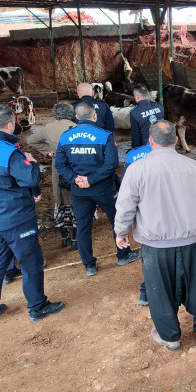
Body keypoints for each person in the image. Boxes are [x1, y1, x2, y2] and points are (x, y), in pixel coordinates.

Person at [114, 120, 196, 350]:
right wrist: (190, 216)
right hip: (190, 241)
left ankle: (170, 337)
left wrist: (121, 232)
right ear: (176, 140)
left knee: (159, 291)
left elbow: (126, 206)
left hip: (155, 246)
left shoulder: (137, 169)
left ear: (150, 141)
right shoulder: (194, 166)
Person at [0, 104, 64, 324]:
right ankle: (37, 307)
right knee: (30, 262)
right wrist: (32, 163)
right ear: (10, 124)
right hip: (16, 218)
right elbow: (31, 179)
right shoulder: (8, 152)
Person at [56, 103, 141, 276]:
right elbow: (111, 164)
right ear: (95, 116)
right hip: (104, 189)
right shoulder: (104, 136)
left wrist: (75, 179)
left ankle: (89, 265)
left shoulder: (65, 137)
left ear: (76, 117)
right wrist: (92, 179)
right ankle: (123, 255)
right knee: (116, 220)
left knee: (83, 227)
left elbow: (60, 164)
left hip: (79, 190)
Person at [27, 102, 78, 249]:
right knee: (75, 199)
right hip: (75, 165)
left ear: (55, 114)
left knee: (60, 198)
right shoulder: (76, 127)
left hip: (58, 166)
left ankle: (65, 237)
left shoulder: (49, 128)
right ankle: (76, 239)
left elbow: (31, 140)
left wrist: (48, 151)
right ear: (71, 114)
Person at [123, 143, 153, 306]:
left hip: (144, 215)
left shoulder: (131, 155)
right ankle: (148, 290)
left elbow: (126, 193)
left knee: (150, 252)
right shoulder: (174, 158)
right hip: (167, 215)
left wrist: (122, 229)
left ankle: (146, 292)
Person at [129, 84, 164, 149]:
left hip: (147, 147)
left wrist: (135, 150)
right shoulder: (159, 106)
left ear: (136, 96)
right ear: (147, 93)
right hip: (162, 143)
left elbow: (135, 136)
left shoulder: (134, 113)